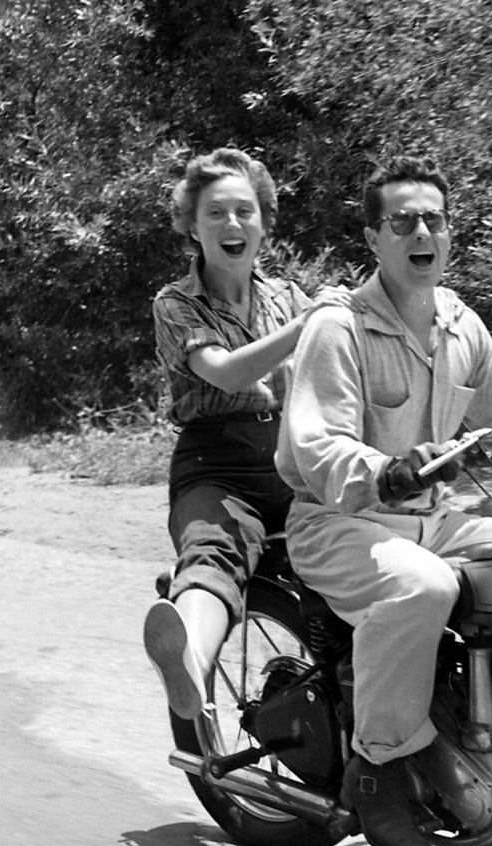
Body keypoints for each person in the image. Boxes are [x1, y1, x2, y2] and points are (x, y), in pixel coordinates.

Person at [275, 153, 492, 846]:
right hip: (338, 521)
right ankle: (379, 765)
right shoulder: (340, 327)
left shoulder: (460, 325)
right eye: (403, 221)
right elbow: (317, 446)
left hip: (436, 516)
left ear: (451, 234)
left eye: (435, 220)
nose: (422, 232)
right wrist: (384, 471)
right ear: (374, 238)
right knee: (422, 585)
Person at [143, 147, 346, 720]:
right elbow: (227, 372)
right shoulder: (176, 303)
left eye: (245, 211)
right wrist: (310, 326)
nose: (233, 224)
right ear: (193, 227)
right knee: (215, 552)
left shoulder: (288, 297)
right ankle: (190, 660)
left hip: (295, 462)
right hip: (217, 468)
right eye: (216, 213)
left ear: (263, 222)